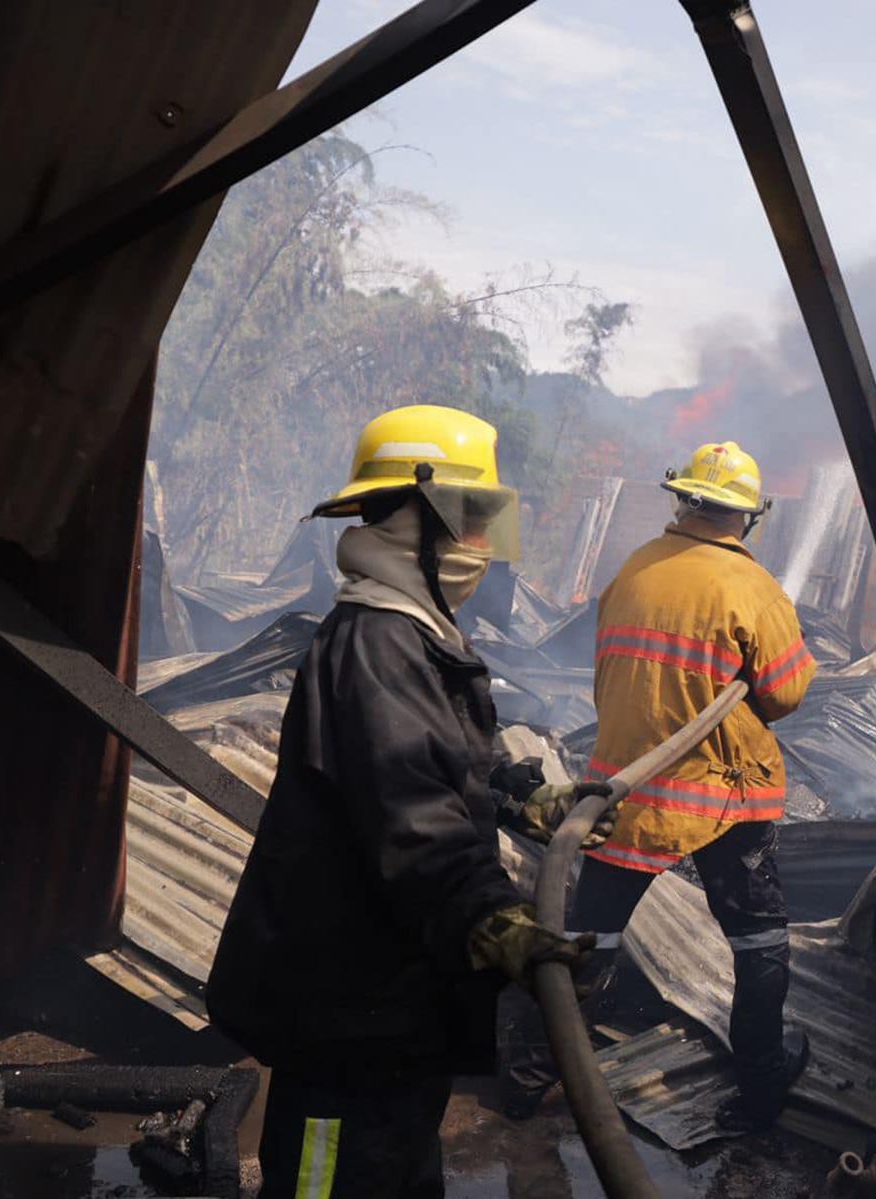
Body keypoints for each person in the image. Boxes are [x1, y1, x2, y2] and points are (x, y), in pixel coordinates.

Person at [206, 405, 603, 1199]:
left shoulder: (412, 633)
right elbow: (412, 815)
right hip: (344, 1016)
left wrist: (527, 799)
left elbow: (451, 763)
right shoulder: (377, 644)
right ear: (411, 517)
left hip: (389, 1006)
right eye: (470, 517)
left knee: (396, 1167)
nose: (481, 545)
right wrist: (491, 917)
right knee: (323, 1182)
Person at [505, 440, 818, 1133]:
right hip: (725, 794)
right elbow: (787, 690)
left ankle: (525, 1078)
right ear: (749, 517)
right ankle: (762, 1086)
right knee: (759, 941)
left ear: (682, 501)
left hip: (625, 792)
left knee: (587, 939)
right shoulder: (752, 587)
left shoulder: (633, 569)